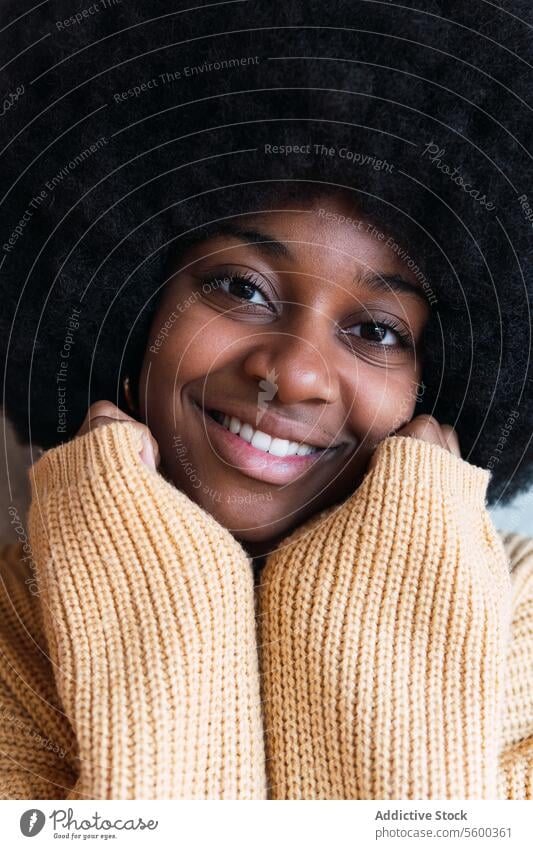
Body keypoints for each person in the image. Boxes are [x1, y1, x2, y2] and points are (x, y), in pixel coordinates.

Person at [0, 0, 531, 799]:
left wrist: (372, 626)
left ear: (448, 385)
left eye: (379, 332)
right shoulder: (12, 636)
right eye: (238, 286)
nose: (292, 371)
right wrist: (162, 603)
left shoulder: (519, 637)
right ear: (135, 301)